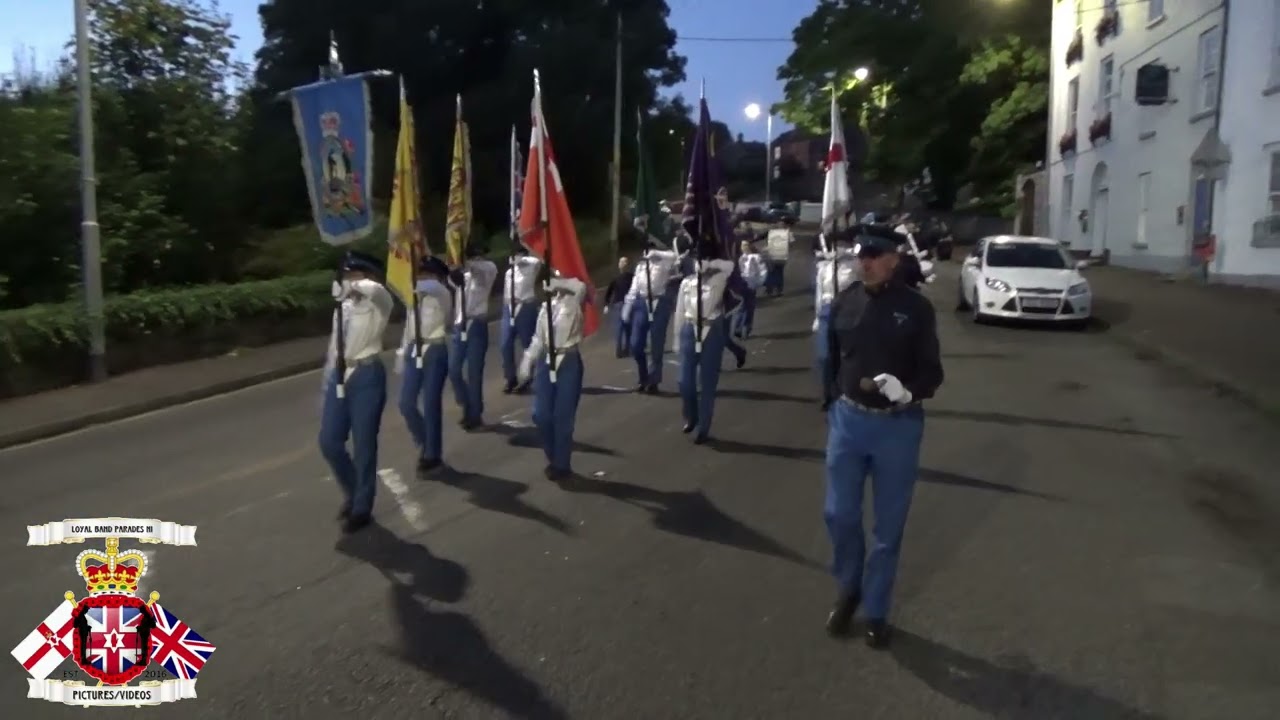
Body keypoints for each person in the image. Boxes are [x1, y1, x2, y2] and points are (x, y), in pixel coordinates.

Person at [820, 228, 944, 648]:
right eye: (861, 254)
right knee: (839, 514)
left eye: (874, 255)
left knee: (888, 529)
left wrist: (907, 391)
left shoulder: (916, 308)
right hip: (849, 422)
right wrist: (832, 402)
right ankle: (849, 584)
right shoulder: (846, 299)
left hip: (898, 426)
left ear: (893, 259)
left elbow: (933, 372)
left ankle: (875, 609)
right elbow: (833, 358)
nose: (865, 261)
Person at [319, 250, 393, 533]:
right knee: (329, 442)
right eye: (347, 274)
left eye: (356, 274)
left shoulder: (379, 302)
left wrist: (350, 284)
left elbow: (375, 291)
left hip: (367, 374)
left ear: (370, 276)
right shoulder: (343, 307)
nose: (350, 280)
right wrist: (328, 381)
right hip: (340, 375)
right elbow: (333, 347)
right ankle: (353, 490)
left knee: (364, 445)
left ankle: (362, 505)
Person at [518, 272, 588, 480]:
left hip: (568, 361)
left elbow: (580, 287)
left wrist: (559, 282)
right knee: (541, 415)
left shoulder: (574, 301)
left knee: (563, 417)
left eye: (561, 277)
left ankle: (562, 464)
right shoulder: (546, 307)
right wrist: (527, 360)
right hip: (546, 361)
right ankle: (554, 455)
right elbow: (539, 338)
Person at [672, 240, 738, 444]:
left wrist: (712, 264)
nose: (698, 263)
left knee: (707, 384)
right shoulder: (687, 282)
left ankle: (704, 428)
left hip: (712, 331)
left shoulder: (719, 278)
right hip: (689, 330)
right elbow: (680, 312)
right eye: (697, 259)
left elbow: (731, 266)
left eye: (702, 259)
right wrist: (676, 339)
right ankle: (691, 416)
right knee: (685, 382)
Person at [396, 255, 453, 476]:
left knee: (431, 405)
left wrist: (409, 279)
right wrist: (402, 354)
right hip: (414, 349)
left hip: (434, 350)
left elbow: (432, 287)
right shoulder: (415, 298)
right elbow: (408, 329)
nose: (423, 277)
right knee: (405, 403)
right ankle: (425, 442)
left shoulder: (442, 293)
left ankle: (432, 454)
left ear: (438, 276)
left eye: (427, 273)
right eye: (421, 273)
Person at [448, 244, 499, 430]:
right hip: (460, 325)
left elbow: (479, 269)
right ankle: (466, 404)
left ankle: (475, 415)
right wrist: (454, 270)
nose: (477, 260)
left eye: (478, 257)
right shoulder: (465, 276)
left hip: (477, 324)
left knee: (474, 373)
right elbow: (451, 279)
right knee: (453, 369)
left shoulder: (488, 270)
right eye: (473, 257)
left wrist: (465, 262)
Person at [622, 242, 680, 393]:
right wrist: (627, 306)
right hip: (641, 303)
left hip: (659, 303)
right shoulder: (641, 267)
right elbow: (634, 287)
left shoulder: (664, 263)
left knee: (657, 344)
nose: (646, 254)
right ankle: (643, 377)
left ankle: (653, 381)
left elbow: (675, 257)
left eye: (649, 250)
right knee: (635, 344)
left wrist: (658, 254)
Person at [812, 231, 860, 402]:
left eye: (843, 244)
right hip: (827, 312)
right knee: (825, 357)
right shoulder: (824, 267)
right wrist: (817, 318)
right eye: (836, 244)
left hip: (849, 313)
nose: (839, 248)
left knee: (847, 356)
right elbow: (819, 292)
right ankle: (829, 393)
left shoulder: (856, 266)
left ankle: (844, 393)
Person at [499, 246, 543, 394]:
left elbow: (537, 260)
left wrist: (522, 258)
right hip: (509, 308)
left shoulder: (531, 268)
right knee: (505, 344)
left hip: (525, 307)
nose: (514, 257)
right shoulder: (509, 272)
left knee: (528, 344)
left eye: (518, 254)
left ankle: (528, 376)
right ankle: (510, 378)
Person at [602, 256, 634, 359]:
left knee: (626, 327)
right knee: (621, 328)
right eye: (622, 262)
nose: (623, 264)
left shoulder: (632, 277)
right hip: (619, 304)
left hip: (627, 304)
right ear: (619, 265)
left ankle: (626, 349)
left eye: (625, 262)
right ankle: (620, 350)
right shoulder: (616, 279)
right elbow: (609, 292)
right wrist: (606, 304)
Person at [734, 240, 766, 339]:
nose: (744, 247)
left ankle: (745, 328)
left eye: (746, 245)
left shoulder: (756, 258)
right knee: (741, 306)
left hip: (751, 285)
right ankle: (738, 327)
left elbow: (762, 271)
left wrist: (758, 282)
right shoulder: (740, 258)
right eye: (742, 245)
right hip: (742, 285)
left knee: (749, 307)